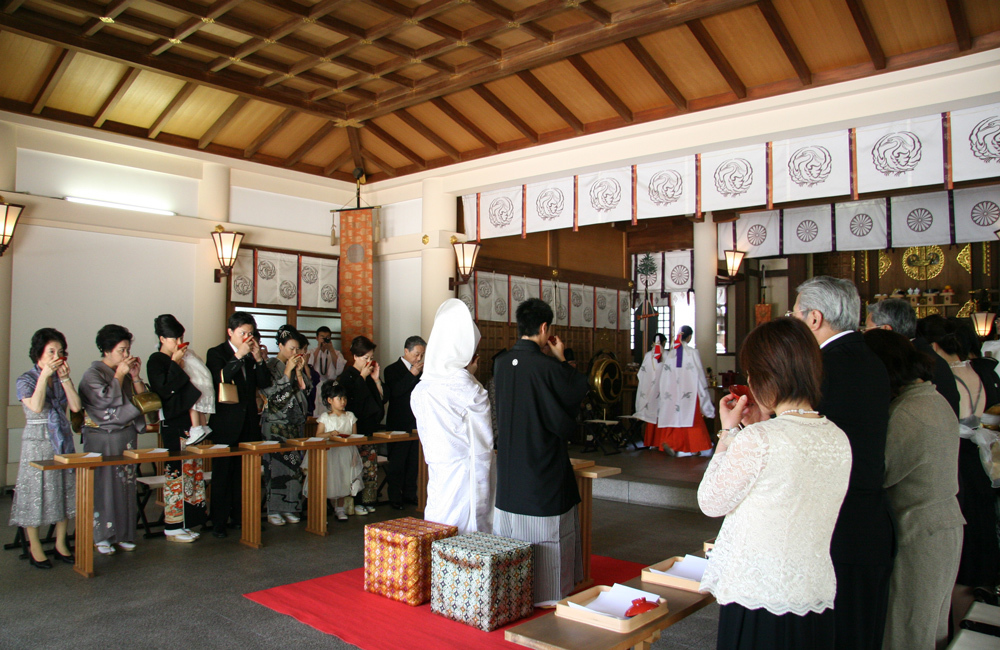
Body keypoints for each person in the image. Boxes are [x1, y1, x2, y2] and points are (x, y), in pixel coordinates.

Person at [699, 317, 851, 650]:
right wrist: (758, 425)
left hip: (760, 599)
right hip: (813, 594)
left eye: (751, 375)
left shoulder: (761, 440)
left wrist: (728, 434)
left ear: (768, 377)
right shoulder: (837, 437)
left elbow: (711, 501)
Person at [791, 276, 893, 650]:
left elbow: (799, 445)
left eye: (795, 314)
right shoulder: (871, 361)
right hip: (868, 519)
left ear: (814, 318)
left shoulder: (821, 369)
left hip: (836, 524)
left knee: (833, 635)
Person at [863, 328, 964, 650]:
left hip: (921, 533)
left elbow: (875, 473)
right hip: (939, 526)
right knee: (926, 624)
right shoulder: (931, 399)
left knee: (907, 630)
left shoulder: (908, 413)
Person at [493, 298, 589, 605]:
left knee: (511, 534)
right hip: (542, 465)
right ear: (545, 328)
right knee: (550, 536)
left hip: (509, 466)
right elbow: (576, 392)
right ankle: (547, 594)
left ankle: (512, 588)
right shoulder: (549, 366)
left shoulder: (501, 363)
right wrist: (562, 359)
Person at [921, 315, 1000, 627]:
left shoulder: (945, 379)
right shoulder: (983, 374)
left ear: (937, 347)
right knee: (982, 534)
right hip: (983, 461)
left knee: (961, 542)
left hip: (957, 460)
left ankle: (956, 624)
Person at [411, 299, 494, 533]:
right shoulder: (465, 385)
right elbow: (484, 432)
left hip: (437, 461)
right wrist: (471, 376)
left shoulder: (422, 386)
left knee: (439, 509)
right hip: (464, 465)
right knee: (465, 519)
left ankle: (436, 562)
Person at [9, 328, 81, 568]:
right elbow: (37, 407)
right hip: (37, 439)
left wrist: (65, 379)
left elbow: (75, 407)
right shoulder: (26, 379)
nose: (56, 355)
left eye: (60, 351)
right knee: (35, 490)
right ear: (38, 353)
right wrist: (44, 377)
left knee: (63, 487)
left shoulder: (59, 377)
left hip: (60, 438)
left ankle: (61, 543)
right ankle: (35, 545)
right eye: (51, 351)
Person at [78, 324, 147, 555]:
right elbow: (105, 402)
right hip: (101, 437)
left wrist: (135, 377)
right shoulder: (92, 375)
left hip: (125, 435)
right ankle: (101, 536)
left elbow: (144, 402)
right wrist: (119, 375)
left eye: (127, 350)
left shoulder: (124, 372)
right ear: (106, 350)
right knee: (103, 486)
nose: (126, 355)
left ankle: (124, 533)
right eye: (121, 350)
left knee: (126, 484)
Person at [206, 312, 271, 539]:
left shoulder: (252, 355)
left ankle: (243, 517)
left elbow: (265, 383)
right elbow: (220, 378)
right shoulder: (216, 353)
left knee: (247, 475)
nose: (247, 337)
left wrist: (259, 360)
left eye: (250, 333)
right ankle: (218, 522)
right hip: (226, 423)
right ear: (230, 332)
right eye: (243, 333)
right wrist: (239, 356)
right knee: (223, 474)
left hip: (249, 422)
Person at [146, 315, 208, 543]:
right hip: (173, 422)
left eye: (181, 337)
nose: (178, 341)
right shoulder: (156, 360)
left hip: (187, 421)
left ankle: (189, 522)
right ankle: (172, 525)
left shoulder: (181, 357)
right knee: (176, 474)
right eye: (174, 338)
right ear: (162, 338)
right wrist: (175, 364)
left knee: (192, 472)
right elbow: (164, 390)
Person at [866, 298, 960, 416]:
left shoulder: (905, 360)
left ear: (886, 329)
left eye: (867, 330)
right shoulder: (923, 352)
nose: (864, 336)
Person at [260, 325, 311, 526]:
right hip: (275, 426)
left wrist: (298, 373)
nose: (294, 353)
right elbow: (273, 397)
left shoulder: (299, 365)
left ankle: (291, 506)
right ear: (280, 346)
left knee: (294, 469)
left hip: (294, 425)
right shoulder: (270, 367)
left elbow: (306, 391)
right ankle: (274, 509)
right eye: (291, 348)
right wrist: (288, 371)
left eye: (297, 349)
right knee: (276, 469)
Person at [649, 326, 715, 456]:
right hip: (689, 392)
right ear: (689, 337)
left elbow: (664, 373)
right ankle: (695, 447)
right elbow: (700, 374)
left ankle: (671, 442)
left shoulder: (670, 354)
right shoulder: (692, 353)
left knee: (674, 419)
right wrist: (703, 391)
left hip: (672, 392)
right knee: (692, 419)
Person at [338, 335, 384, 513]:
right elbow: (349, 402)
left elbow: (380, 399)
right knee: (355, 467)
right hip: (355, 428)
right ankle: (354, 503)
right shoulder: (348, 375)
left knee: (370, 466)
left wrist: (376, 379)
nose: (369, 361)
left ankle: (368, 500)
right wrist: (362, 378)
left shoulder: (368, 374)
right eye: (366, 358)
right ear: (355, 357)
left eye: (371, 358)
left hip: (370, 427)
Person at [304, 381, 362, 521]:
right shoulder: (325, 417)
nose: (343, 402)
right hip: (330, 454)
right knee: (328, 479)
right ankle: (323, 509)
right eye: (339, 398)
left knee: (344, 479)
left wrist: (355, 454)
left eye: (344, 398)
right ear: (330, 400)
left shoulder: (350, 416)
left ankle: (340, 508)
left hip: (346, 452)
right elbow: (318, 435)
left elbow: (355, 437)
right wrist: (330, 434)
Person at [382, 335, 425, 510]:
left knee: (413, 462)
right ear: (406, 351)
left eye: (422, 355)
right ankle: (394, 496)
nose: (419, 359)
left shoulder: (424, 369)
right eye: (416, 354)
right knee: (397, 462)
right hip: (398, 421)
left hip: (417, 421)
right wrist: (412, 374)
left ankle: (410, 494)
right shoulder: (391, 369)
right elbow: (395, 392)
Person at [635, 333, 667, 447]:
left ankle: (650, 442)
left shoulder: (648, 355)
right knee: (661, 416)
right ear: (663, 342)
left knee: (651, 415)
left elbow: (641, 374)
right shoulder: (667, 355)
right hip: (663, 390)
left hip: (649, 390)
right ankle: (662, 442)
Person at [310, 326, 345, 417]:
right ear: (317, 338)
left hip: (331, 386)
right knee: (317, 412)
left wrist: (331, 350)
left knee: (331, 412)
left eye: (327, 337)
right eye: (322, 337)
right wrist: (319, 348)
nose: (324, 339)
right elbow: (310, 366)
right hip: (317, 386)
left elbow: (339, 369)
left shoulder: (336, 353)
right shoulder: (312, 352)